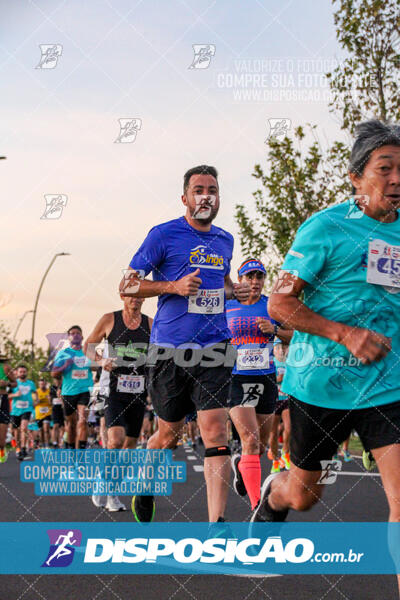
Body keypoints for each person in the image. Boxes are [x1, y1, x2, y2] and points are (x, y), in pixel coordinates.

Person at [260, 120, 400, 595]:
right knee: (304, 496)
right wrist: (343, 334)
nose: (398, 178)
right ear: (356, 177)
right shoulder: (324, 227)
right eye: (386, 168)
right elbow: (278, 304)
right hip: (321, 385)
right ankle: (274, 495)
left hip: (389, 384)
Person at [120, 164, 250, 524]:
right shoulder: (163, 235)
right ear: (185, 198)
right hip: (170, 351)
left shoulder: (225, 240)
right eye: (199, 190)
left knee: (216, 432)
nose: (206, 196)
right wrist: (171, 287)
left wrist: (233, 290)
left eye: (212, 189)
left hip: (216, 347)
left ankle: (216, 523)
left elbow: (220, 282)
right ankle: (145, 484)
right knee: (168, 435)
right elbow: (127, 286)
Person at [226, 258, 292, 518]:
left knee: (261, 445)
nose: (254, 281)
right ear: (239, 279)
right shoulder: (227, 305)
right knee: (251, 442)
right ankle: (256, 506)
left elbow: (296, 334)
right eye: (249, 276)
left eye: (259, 277)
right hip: (235, 378)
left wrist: (275, 329)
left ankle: (240, 464)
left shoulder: (271, 306)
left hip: (265, 379)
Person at [84, 294, 152, 512]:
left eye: (140, 295)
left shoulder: (150, 324)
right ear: (123, 296)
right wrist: (102, 360)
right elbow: (88, 346)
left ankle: (112, 491)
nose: (136, 299)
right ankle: (102, 480)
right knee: (115, 440)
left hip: (138, 391)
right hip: (114, 390)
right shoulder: (110, 320)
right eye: (131, 295)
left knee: (130, 446)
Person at [51, 326, 93, 449]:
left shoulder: (88, 352)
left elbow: (96, 367)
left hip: (85, 390)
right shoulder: (63, 353)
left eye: (78, 333)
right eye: (72, 333)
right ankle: (71, 451)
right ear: (68, 337)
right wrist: (65, 365)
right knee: (71, 425)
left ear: (82, 337)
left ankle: (81, 453)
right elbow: (54, 373)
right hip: (69, 392)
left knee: (82, 421)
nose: (75, 335)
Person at [269, 339, 291, 473]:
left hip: (287, 399)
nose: (281, 350)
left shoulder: (292, 363)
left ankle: (285, 452)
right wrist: (277, 379)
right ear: (274, 349)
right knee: (273, 433)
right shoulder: (271, 363)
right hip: (273, 400)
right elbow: (266, 380)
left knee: (289, 427)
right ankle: (275, 460)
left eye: (284, 347)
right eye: (278, 348)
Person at [9, 365, 37, 460]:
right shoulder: (13, 384)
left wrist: (36, 401)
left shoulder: (31, 383)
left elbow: (35, 393)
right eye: (20, 372)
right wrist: (15, 394)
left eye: (24, 372)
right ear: (17, 373)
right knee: (15, 431)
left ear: (26, 373)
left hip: (27, 409)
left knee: (24, 427)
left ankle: (24, 448)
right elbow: (7, 395)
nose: (22, 373)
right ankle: (18, 448)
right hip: (15, 410)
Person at [0, 354, 17, 463]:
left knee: (1, 439)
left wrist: (7, 384)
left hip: (2, 400)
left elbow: (15, 383)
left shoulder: (5, 367)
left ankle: (2, 449)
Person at [34, 378, 52, 448]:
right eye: (41, 384)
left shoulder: (49, 391)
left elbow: (51, 404)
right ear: (39, 385)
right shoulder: (36, 392)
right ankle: (43, 444)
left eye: (43, 384)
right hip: (38, 414)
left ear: (45, 384)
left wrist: (49, 399)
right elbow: (34, 404)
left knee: (46, 429)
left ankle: (47, 445)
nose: (42, 385)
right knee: (41, 431)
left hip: (47, 413)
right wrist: (37, 401)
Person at [50, 377, 64, 448]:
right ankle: (54, 442)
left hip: (63, 408)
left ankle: (61, 442)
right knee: (55, 425)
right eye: (56, 379)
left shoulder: (64, 386)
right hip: (55, 409)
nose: (58, 381)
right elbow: (51, 398)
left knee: (62, 427)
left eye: (59, 379)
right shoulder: (52, 387)